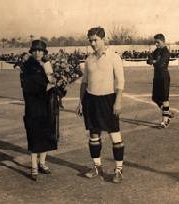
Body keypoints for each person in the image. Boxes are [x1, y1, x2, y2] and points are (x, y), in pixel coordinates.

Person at [76, 27, 125, 183]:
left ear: (104, 39)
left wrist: (117, 101)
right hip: (91, 100)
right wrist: (81, 102)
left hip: (108, 100)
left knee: (114, 135)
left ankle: (118, 170)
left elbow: (121, 81)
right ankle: (97, 167)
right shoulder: (89, 59)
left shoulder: (114, 57)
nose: (92, 43)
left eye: (95, 40)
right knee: (94, 135)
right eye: (90, 40)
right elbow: (84, 83)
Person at [22, 40, 59, 181]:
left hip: (46, 105)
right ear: (31, 51)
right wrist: (47, 87)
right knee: (34, 135)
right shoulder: (28, 66)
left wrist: (57, 85)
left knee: (45, 133)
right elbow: (28, 87)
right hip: (33, 105)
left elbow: (53, 82)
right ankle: (34, 166)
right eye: (35, 50)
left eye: (40, 50)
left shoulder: (46, 65)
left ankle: (42, 163)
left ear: (44, 52)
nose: (38, 53)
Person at [147, 34, 174, 128]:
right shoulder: (157, 50)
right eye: (155, 42)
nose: (156, 44)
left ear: (163, 41)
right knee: (155, 98)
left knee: (164, 99)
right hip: (157, 77)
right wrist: (152, 58)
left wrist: (153, 61)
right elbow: (149, 60)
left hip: (164, 77)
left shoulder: (166, 51)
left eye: (158, 42)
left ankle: (165, 121)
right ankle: (168, 113)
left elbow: (159, 64)